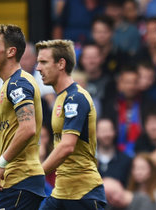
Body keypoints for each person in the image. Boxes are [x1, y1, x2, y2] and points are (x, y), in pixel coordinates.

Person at [35, 39, 106, 209]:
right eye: (38, 63)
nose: (38, 68)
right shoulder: (60, 98)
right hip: (62, 191)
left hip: (84, 194)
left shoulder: (75, 98)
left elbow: (67, 146)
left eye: (44, 62)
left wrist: (36, 174)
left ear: (61, 64)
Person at [0, 23, 45, 209]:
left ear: (11, 52)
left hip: (22, 179)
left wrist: (1, 164)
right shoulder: (9, 84)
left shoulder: (18, 83)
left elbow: (28, 128)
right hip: (16, 180)